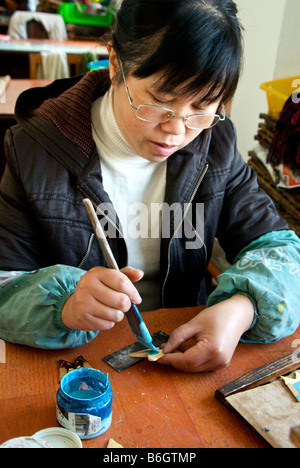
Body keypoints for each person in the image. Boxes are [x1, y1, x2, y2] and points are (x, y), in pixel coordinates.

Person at [0, 0, 299, 372]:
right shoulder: (34, 151)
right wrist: (64, 306)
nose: (178, 129)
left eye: (203, 106)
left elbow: (280, 250)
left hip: (181, 348)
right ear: (114, 64)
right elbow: (4, 287)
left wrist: (241, 309)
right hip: (76, 363)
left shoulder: (215, 143)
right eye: (161, 100)